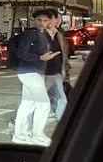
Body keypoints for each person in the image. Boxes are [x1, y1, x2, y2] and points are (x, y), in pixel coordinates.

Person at [12, 9, 60, 145]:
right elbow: (21, 53)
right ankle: (36, 135)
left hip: (33, 72)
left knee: (28, 104)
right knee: (43, 104)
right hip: (30, 72)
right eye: (39, 20)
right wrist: (40, 58)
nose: (42, 23)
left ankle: (20, 134)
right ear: (33, 20)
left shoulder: (41, 34)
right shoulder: (30, 34)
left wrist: (45, 59)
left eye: (45, 20)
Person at [43, 9, 70, 120]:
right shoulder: (40, 35)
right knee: (36, 100)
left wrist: (65, 73)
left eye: (58, 18)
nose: (57, 21)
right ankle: (20, 121)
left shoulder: (59, 35)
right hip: (43, 74)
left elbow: (64, 55)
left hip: (56, 73)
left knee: (61, 99)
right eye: (48, 19)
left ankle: (62, 121)